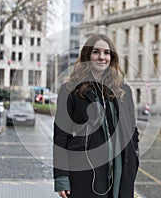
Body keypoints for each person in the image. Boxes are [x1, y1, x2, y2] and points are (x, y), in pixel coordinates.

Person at [53, 34, 139, 198]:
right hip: (84, 174)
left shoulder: (124, 91)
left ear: (111, 58)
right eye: (96, 52)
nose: (102, 57)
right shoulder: (69, 90)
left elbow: (133, 131)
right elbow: (61, 138)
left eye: (107, 53)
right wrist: (62, 178)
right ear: (87, 56)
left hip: (121, 174)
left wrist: (133, 157)